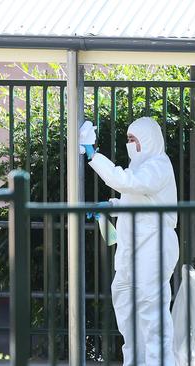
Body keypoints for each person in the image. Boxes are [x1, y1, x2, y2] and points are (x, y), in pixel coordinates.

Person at [80, 117, 179, 366]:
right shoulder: (140, 168)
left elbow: (128, 183)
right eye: (128, 139)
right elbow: (135, 199)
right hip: (132, 248)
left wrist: (94, 155)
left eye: (133, 139)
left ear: (148, 140)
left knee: (152, 313)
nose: (129, 144)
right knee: (126, 308)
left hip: (153, 246)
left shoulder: (159, 165)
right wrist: (111, 206)